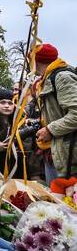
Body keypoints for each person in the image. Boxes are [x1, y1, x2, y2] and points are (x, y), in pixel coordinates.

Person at [32, 43, 77, 184]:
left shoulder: (62, 77)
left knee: (67, 203)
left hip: (69, 156)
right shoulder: (46, 79)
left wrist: (50, 129)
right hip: (54, 151)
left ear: (36, 61)